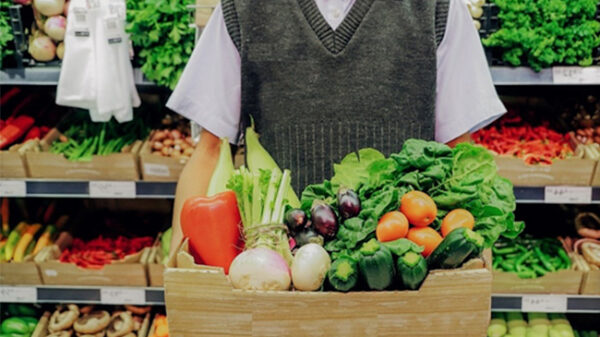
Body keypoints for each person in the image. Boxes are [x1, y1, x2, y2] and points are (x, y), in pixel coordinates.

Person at [166, 0, 506, 252]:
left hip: (403, 265)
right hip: (281, 267)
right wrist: (183, 274)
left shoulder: (438, 7)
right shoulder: (243, 8)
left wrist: (470, 263)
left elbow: (458, 151)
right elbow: (210, 151)